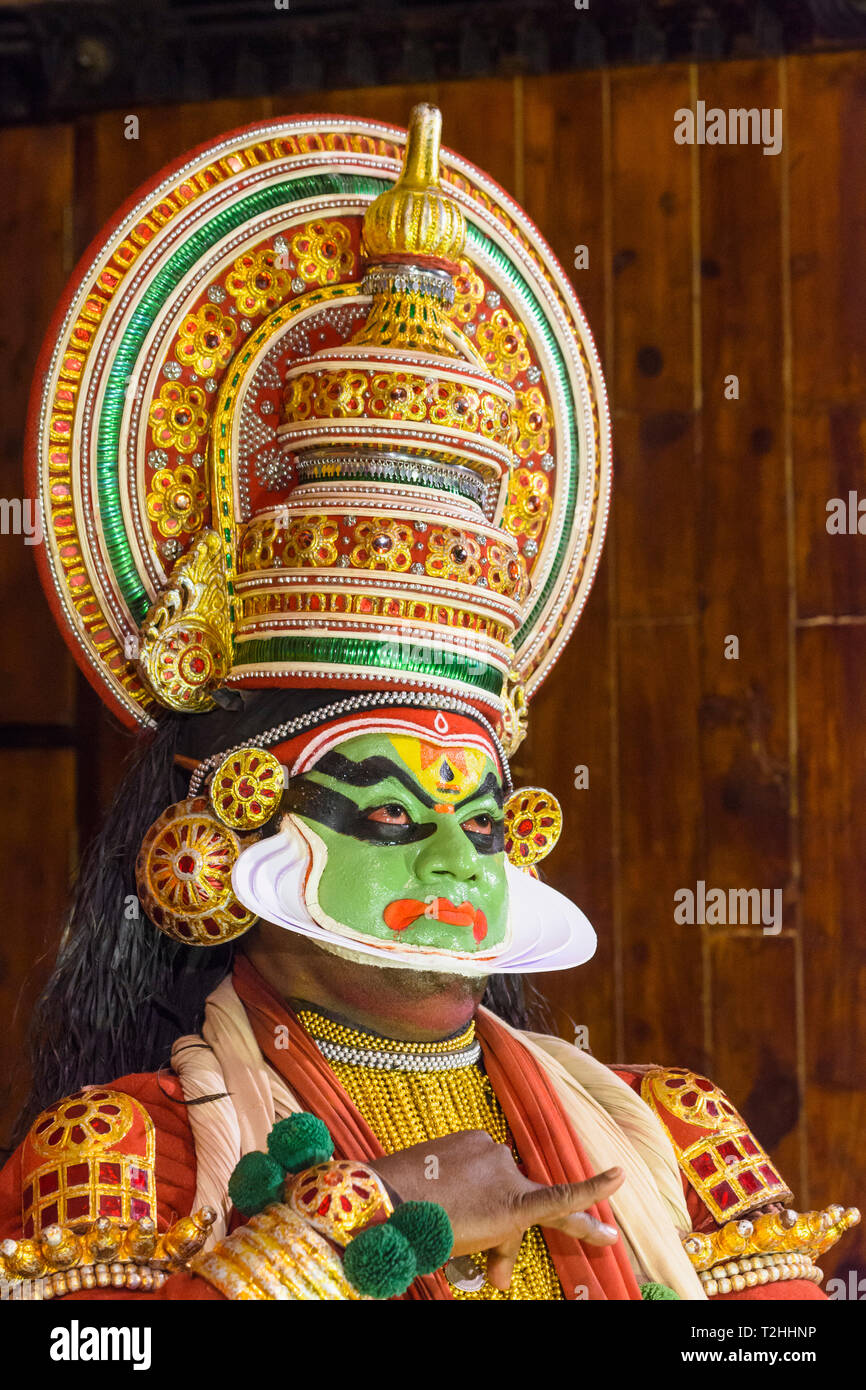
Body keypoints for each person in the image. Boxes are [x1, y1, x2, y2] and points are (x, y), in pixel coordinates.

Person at [0, 105, 857, 1302]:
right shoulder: (132, 1155)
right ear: (232, 830)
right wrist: (360, 1232)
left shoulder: (669, 1138)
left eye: (485, 821)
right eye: (393, 814)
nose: (461, 862)